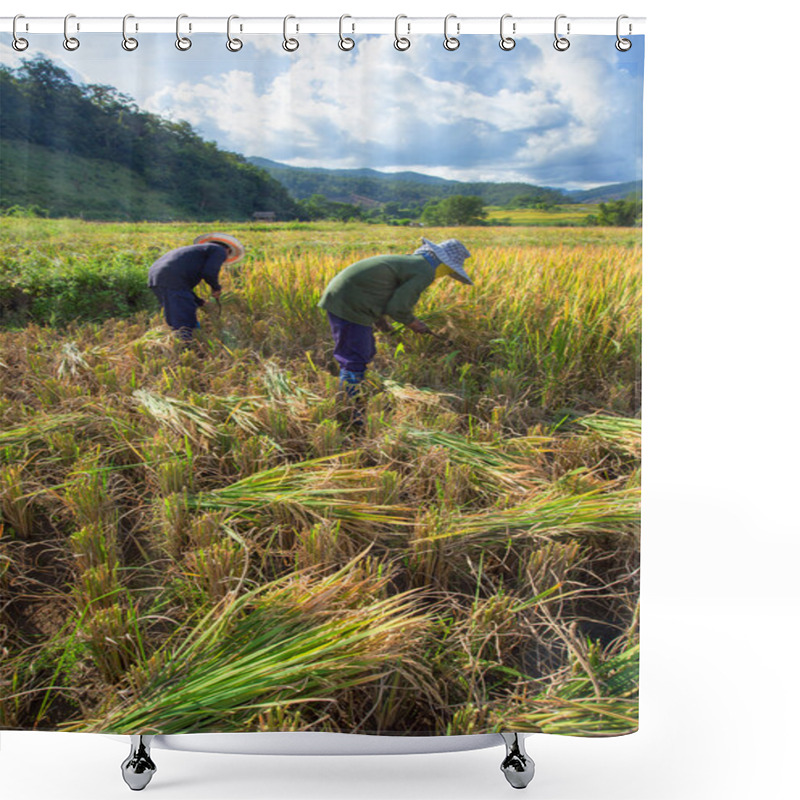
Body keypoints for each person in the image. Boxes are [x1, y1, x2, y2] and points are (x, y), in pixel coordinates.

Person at [318, 238, 473, 398]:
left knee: (366, 350)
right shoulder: (425, 271)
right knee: (355, 357)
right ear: (446, 265)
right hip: (350, 304)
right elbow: (398, 307)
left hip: (348, 297)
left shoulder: (412, 262)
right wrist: (414, 324)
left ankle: (356, 392)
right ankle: (349, 404)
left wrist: (382, 323)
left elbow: (378, 291)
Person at [147, 233, 245, 341]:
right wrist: (216, 288)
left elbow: (183, 288)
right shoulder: (220, 250)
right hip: (172, 278)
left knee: (175, 315)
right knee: (184, 319)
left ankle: (178, 346)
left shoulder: (196, 252)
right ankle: (186, 348)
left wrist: (200, 302)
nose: (224, 259)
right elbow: (209, 272)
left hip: (156, 277)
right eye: (227, 255)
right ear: (227, 250)